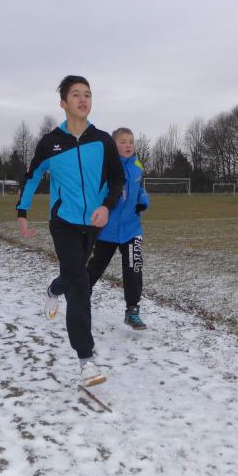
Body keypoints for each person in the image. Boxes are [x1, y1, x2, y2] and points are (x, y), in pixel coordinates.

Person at [16, 75, 124, 387]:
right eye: (76, 94)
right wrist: (22, 212)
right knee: (80, 284)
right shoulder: (50, 142)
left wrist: (107, 206)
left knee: (73, 274)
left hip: (93, 223)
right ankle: (86, 360)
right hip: (63, 222)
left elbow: (117, 179)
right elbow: (32, 176)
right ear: (63, 103)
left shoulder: (103, 141)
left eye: (87, 94)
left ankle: (53, 289)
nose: (83, 99)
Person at [86, 127, 150, 330]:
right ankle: (81, 297)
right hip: (107, 229)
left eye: (131, 141)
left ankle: (132, 311)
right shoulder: (106, 166)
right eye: (122, 141)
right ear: (114, 146)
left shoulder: (137, 166)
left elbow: (140, 189)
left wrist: (143, 200)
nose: (128, 145)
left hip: (132, 229)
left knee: (134, 267)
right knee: (96, 266)